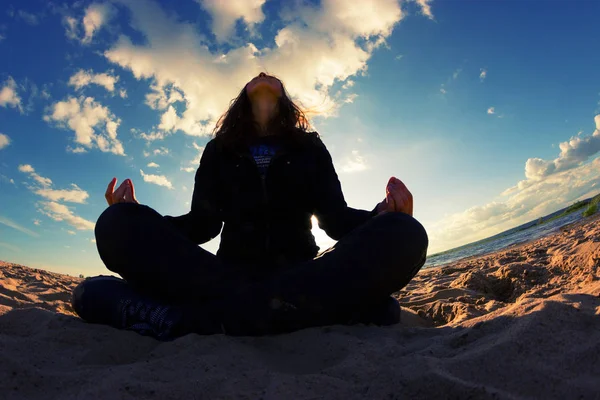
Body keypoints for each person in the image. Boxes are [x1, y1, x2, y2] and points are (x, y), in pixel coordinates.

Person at [71, 72, 429, 341]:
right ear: (242, 99)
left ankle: (193, 321)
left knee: (405, 234)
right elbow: (202, 225)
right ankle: (285, 316)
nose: (262, 76)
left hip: (298, 275)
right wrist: (139, 215)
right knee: (115, 223)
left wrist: (383, 216)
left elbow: (334, 219)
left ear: (285, 100)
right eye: (255, 80)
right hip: (228, 277)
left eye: (273, 81)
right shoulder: (219, 151)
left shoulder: (310, 149)